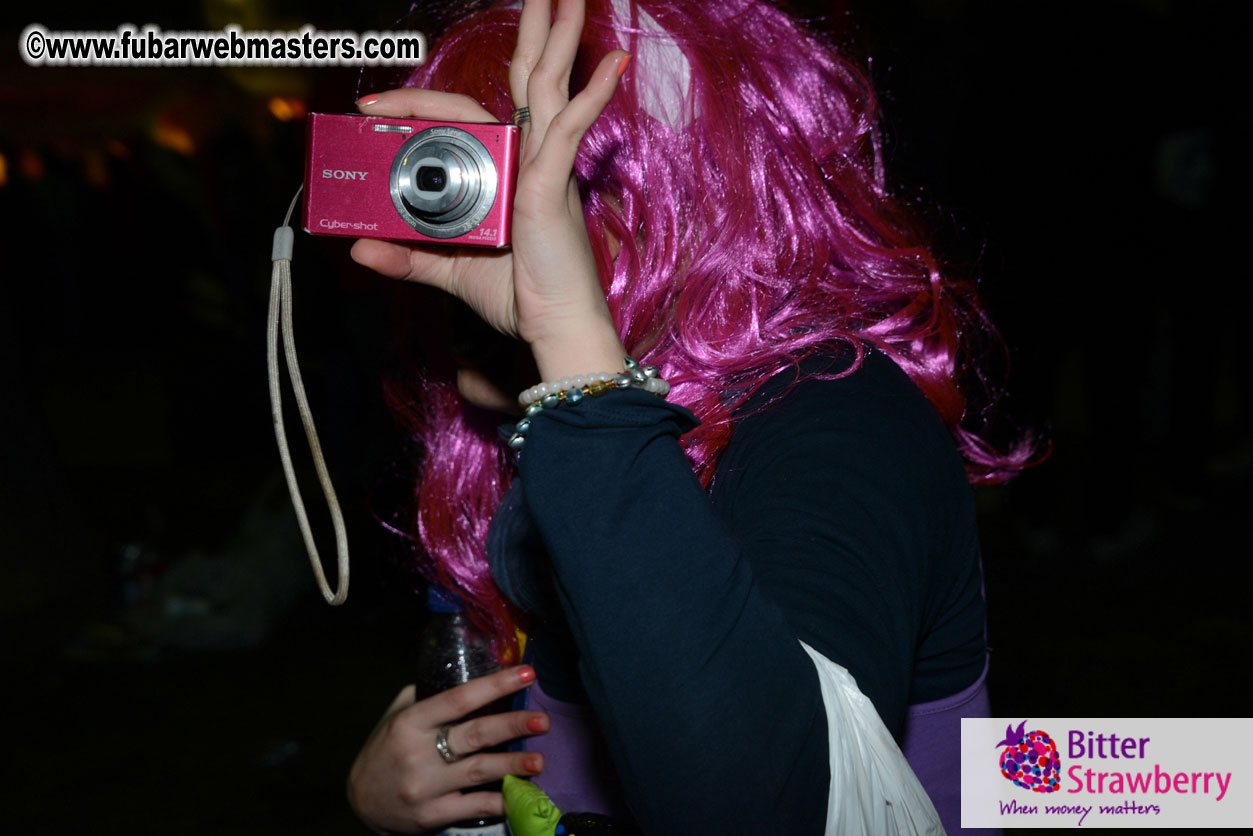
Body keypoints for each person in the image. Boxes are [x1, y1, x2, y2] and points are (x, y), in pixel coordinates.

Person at [345, 1, 1035, 833]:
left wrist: (568, 332)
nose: (469, 230)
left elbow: (765, 810)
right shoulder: (548, 436)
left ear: (657, 202)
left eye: (523, 190)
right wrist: (395, 798)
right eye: (446, 182)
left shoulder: (833, 417)